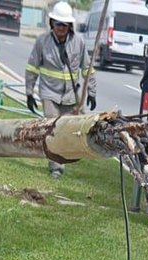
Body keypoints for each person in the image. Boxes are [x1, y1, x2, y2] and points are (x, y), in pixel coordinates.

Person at [25, 1, 97, 179]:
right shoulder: (42, 41)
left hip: (71, 96)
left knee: (70, 130)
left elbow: (87, 69)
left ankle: (65, 158)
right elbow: (32, 68)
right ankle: (56, 167)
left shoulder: (78, 42)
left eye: (65, 25)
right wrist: (29, 92)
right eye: (58, 24)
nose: (61, 28)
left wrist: (92, 92)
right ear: (52, 23)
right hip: (49, 93)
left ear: (70, 25)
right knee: (52, 129)